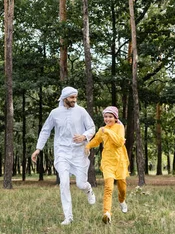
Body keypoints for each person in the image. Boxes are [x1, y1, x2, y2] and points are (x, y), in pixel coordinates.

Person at [31, 87, 96, 225]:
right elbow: (45, 130)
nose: (74, 100)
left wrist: (84, 136)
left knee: (80, 184)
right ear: (64, 98)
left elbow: (92, 128)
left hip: (79, 152)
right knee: (64, 182)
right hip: (62, 152)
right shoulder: (55, 113)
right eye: (72, 98)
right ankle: (68, 216)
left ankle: (88, 189)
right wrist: (38, 148)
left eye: (76, 97)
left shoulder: (81, 111)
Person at [85, 106, 128, 224]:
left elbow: (119, 142)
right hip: (107, 162)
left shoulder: (119, 127)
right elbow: (96, 140)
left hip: (120, 162)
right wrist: (88, 146)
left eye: (110, 117)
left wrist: (108, 131)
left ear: (115, 118)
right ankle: (107, 213)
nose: (107, 119)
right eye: (105, 116)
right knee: (108, 187)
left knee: (122, 188)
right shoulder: (102, 130)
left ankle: (122, 200)